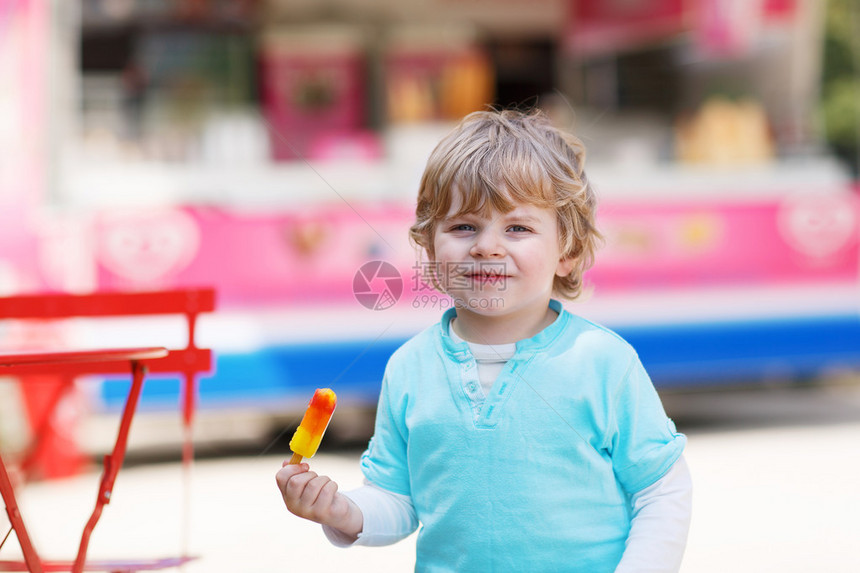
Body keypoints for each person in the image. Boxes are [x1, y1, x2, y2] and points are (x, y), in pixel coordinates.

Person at [276, 108, 693, 572]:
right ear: (431, 249)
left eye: (517, 228)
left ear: (568, 252)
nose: (486, 246)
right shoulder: (409, 368)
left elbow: (661, 489)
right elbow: (397, 498)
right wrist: (342, 512)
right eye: (463, 226)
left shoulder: (604, 362)